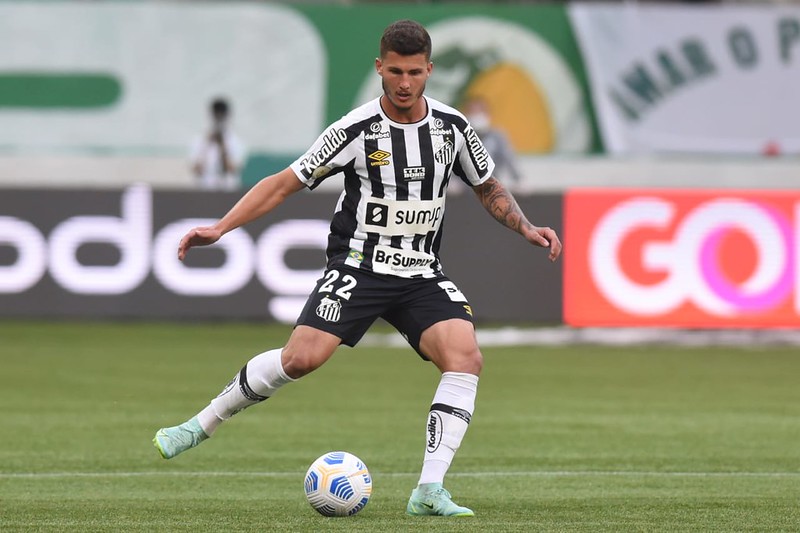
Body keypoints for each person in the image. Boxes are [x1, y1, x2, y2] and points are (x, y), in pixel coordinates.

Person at [154, 19, 561, 518]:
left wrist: (525, 227)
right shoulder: (356, 129)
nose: (405, 83)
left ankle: (429, 490)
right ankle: (199, 425)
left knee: (465, 357)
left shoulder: (452, 128)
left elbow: (487, 185)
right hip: (359, 267)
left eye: (415, 72)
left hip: (420, 271)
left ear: (430, 70)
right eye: (396, 72)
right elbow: (283, 183)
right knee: (300, 359)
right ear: (380, 68)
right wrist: (221, 227)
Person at [463, 95, 523, 188]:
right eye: (472, 112)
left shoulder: (497, 136)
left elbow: (508, 158)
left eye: (479, 112)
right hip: (465, 187)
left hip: (492, 185)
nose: (476, 116)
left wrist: (518, 179)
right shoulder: (461, 136)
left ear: (487, 114)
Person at [189, 97, 246, 191]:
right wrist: (206, 145)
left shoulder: (234, 141)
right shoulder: (200, 140)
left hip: (227, 190)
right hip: (204, 189)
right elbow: (196, 169)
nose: (218, 118)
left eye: (221, 115)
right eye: (216, 115)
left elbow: (233, 169)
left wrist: (222, 146)